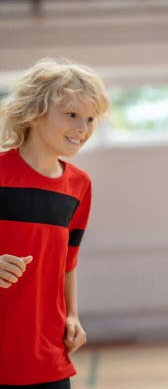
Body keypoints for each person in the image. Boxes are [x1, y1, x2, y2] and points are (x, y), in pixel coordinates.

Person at [0, 57, 110, 388]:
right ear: (35, 112)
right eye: (71, 115)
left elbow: (67, 261)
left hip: (48, 355)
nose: (83, 128)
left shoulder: (79, 186)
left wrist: (72, 316)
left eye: (90, 118)